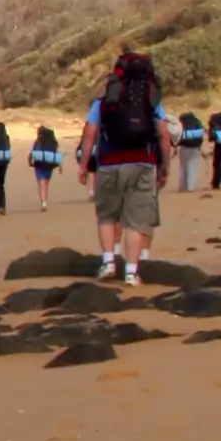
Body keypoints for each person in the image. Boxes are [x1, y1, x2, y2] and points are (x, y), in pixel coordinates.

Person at [76, 50, 176, 286]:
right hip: (142, 163)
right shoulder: (151, 100)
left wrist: (83, 165)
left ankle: (109, 262)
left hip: (109, 163)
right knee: (136, 221)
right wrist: (164, 167)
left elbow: (90, 133)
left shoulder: (104, 101)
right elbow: (163, 135)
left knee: (107, 216)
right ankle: (131, 272)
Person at [28, 125, 63, 212]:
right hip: (50, 166)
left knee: (42, 183)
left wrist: (30, 163)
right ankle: (44, 201)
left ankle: (43, 202)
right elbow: (56, 154)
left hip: (39, 165)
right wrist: (60, 166)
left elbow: (32, 153)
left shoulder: (38, 141)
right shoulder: (53, 142)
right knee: (46, 184)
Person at [174, 112, 206, 193]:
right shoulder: (197, 122)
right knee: (193, 166)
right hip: (195, 147)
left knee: (183, 167)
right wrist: (200, 145)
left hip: (184, 147)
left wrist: (175, 146)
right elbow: (201, 136)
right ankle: (190, 187)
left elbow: (177, 136)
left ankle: (182, 187)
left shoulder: (180, 123)